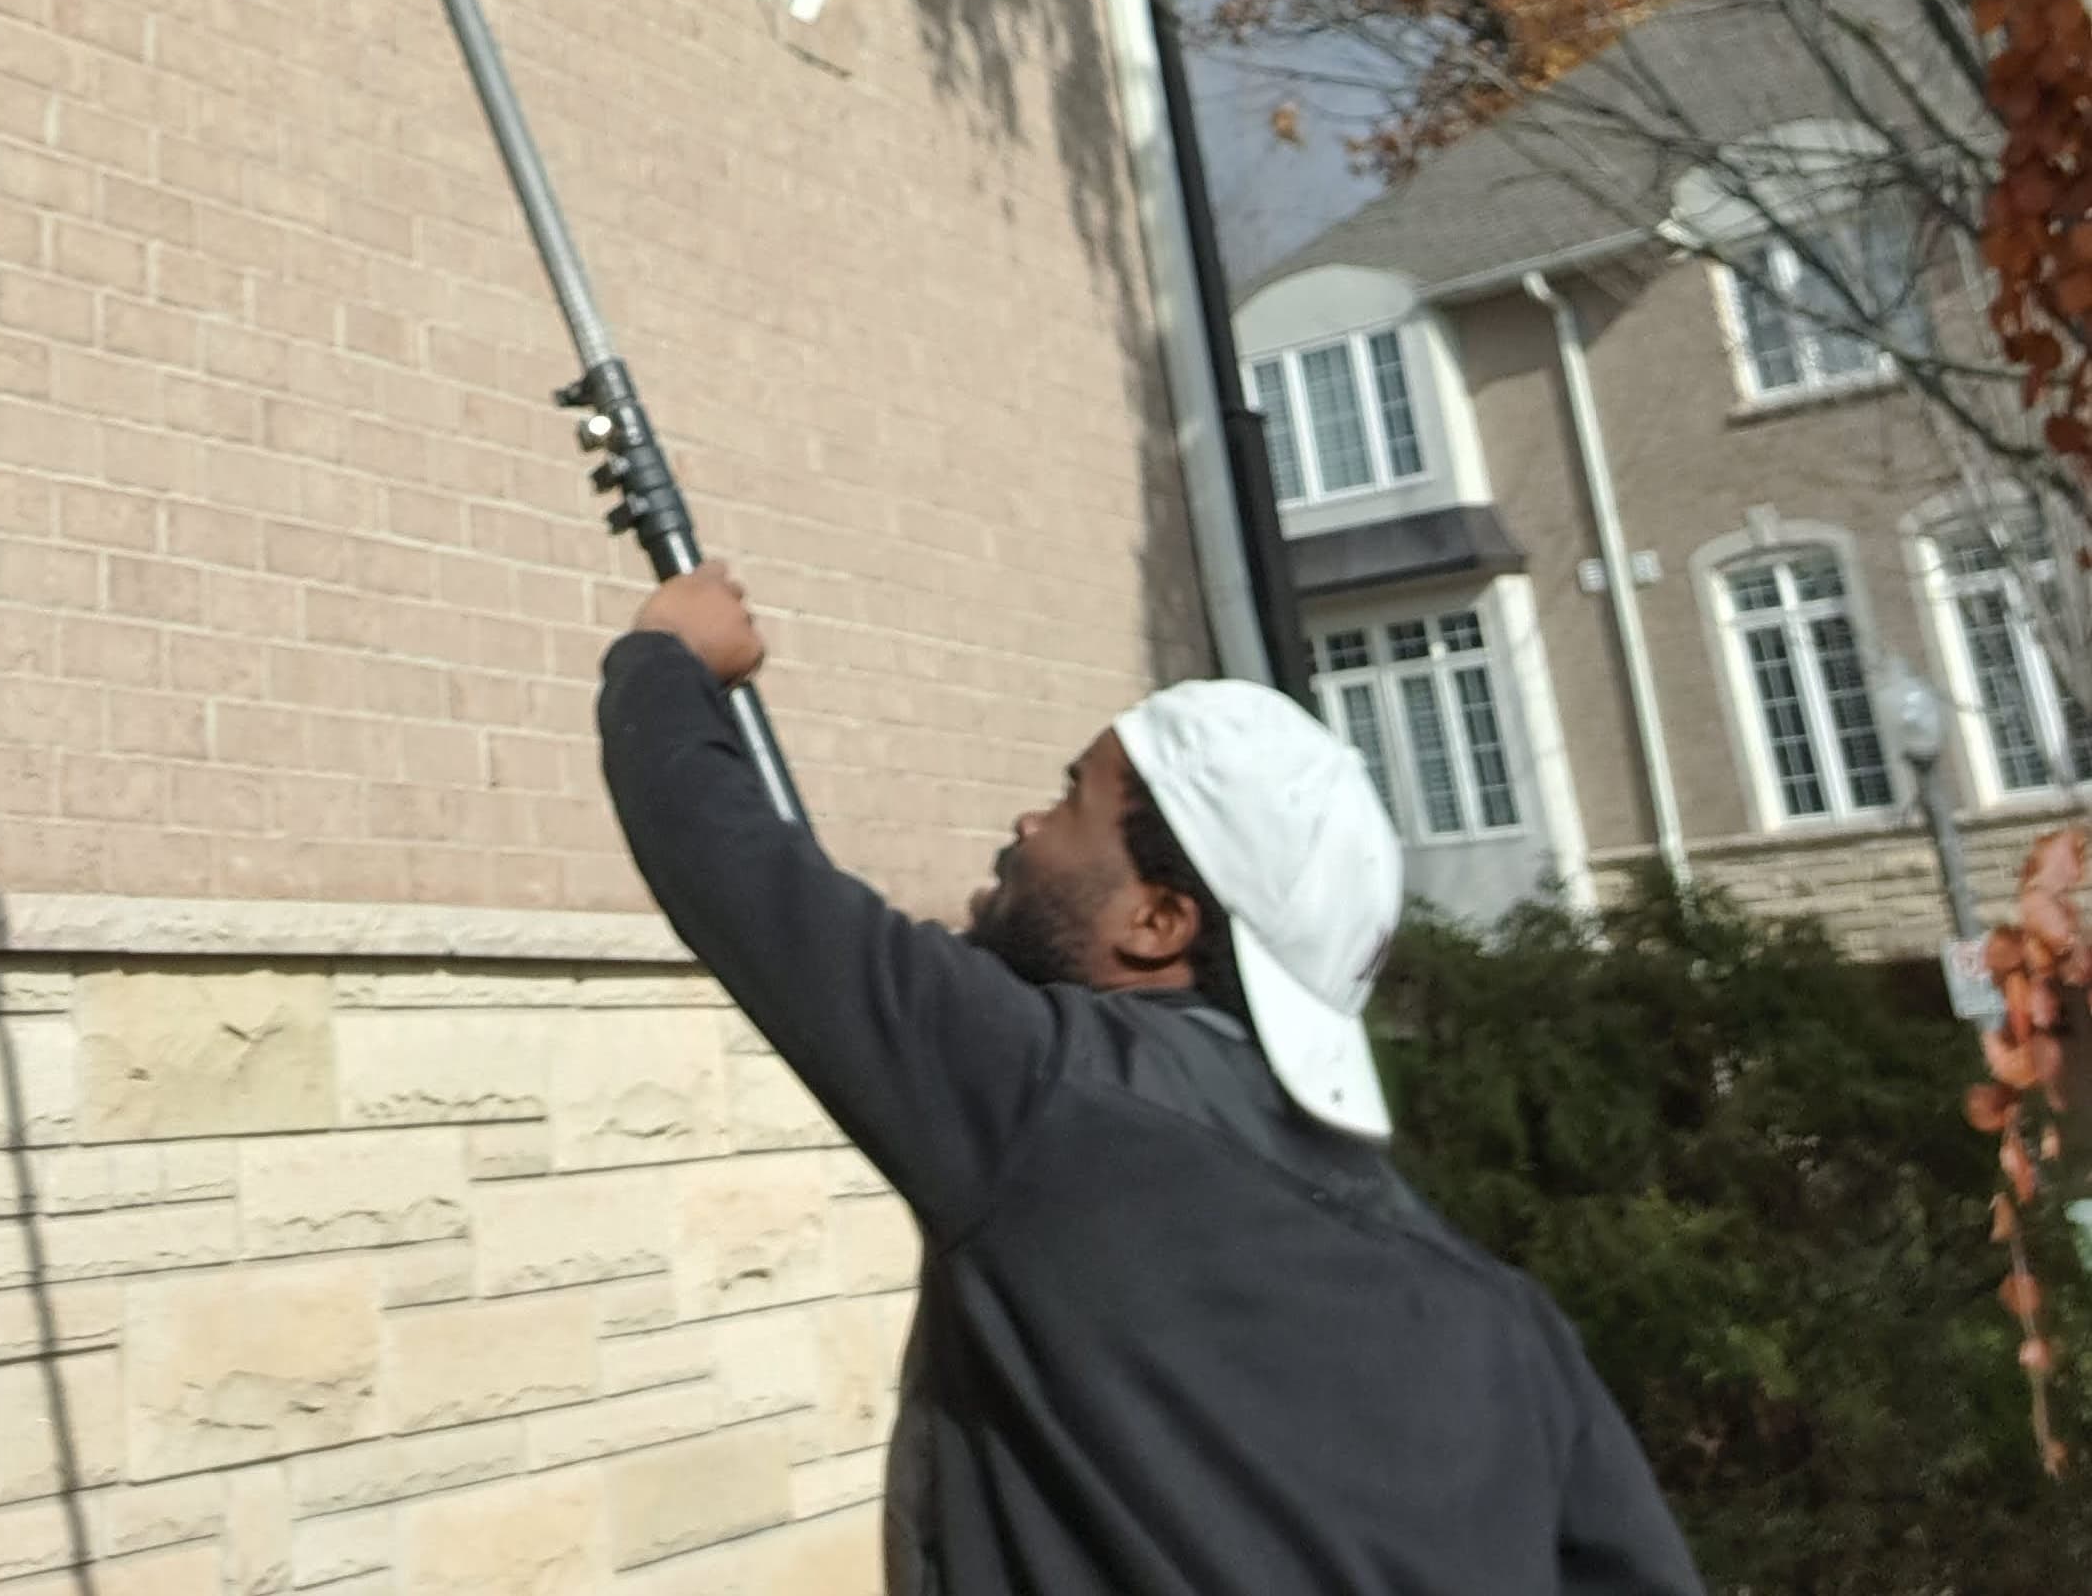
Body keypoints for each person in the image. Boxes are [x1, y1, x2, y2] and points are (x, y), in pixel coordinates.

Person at [599, 562, 1701, 1596]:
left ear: (1158, 921)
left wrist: (668, 655)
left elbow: (738, 872)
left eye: (1069, 798)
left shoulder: (1059, 1106)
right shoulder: (1509, 1329)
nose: (1027, 824)